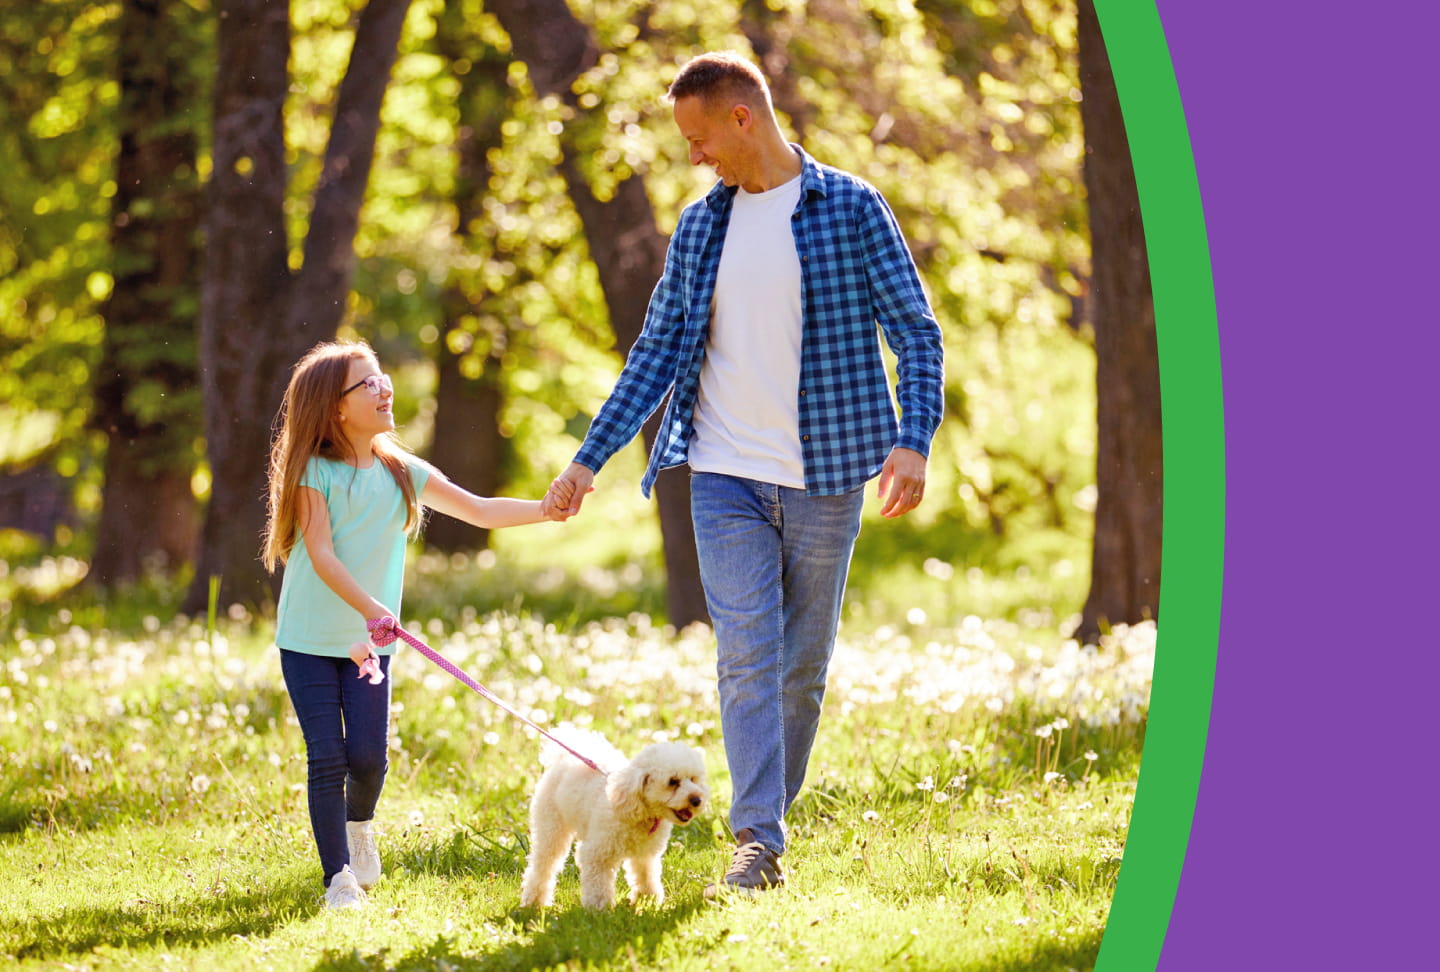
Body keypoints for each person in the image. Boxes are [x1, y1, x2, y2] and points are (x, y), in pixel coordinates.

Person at [542, 51, 945, 897]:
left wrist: (915, 438)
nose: (694, 157)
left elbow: (917, 328)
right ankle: (756, 841)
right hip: (720, 472)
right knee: (746, 658)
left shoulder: (851, 208)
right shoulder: (702, 227)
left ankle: (767, 823)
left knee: (803, 666)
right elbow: (654, 351)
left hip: (829, 474)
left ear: (741, 118)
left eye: (698, 138)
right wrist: (589, 457)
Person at [263, 340, 564, 910]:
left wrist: (544, 509)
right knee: (327, 755)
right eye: (367, 383)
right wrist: (374, 607)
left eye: (382, 377)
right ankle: (338, 881)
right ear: (336, 408)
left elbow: (477, 508)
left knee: (370, 757)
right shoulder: (313, 471)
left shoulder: (401, 470)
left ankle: (359, 826)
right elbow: (322, 555)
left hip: (370, 646)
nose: (384, 388)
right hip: (308, 639)